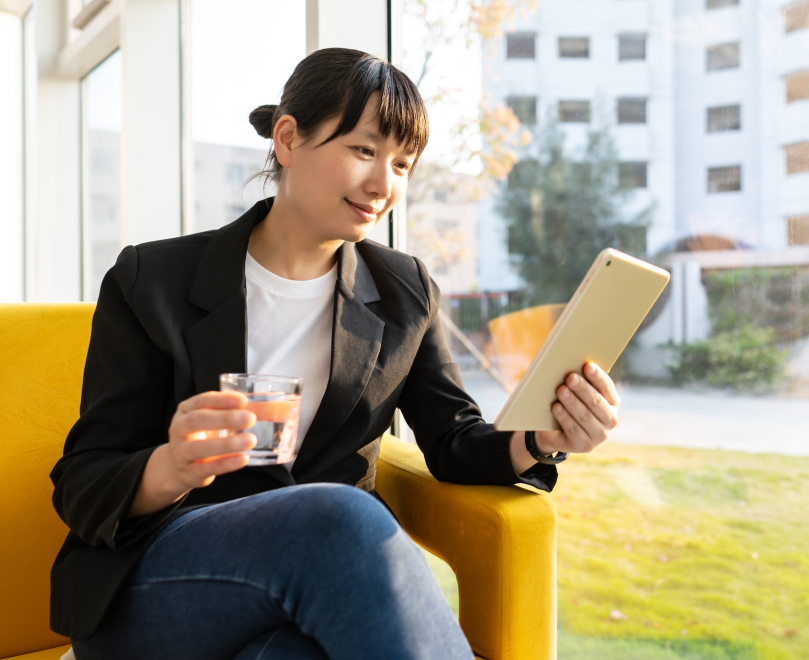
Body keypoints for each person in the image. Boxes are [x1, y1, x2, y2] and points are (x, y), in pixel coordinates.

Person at [51, 48, 620, 660]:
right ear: (289, 138)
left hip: (301, 600)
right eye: (365, 151)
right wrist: (171, 466)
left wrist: (539, 436)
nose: (385, 185)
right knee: (340, 520)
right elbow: (81, 483)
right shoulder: (152, 278)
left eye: (403, 164)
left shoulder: (405, 292)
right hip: (160, 582)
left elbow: (454, 441)